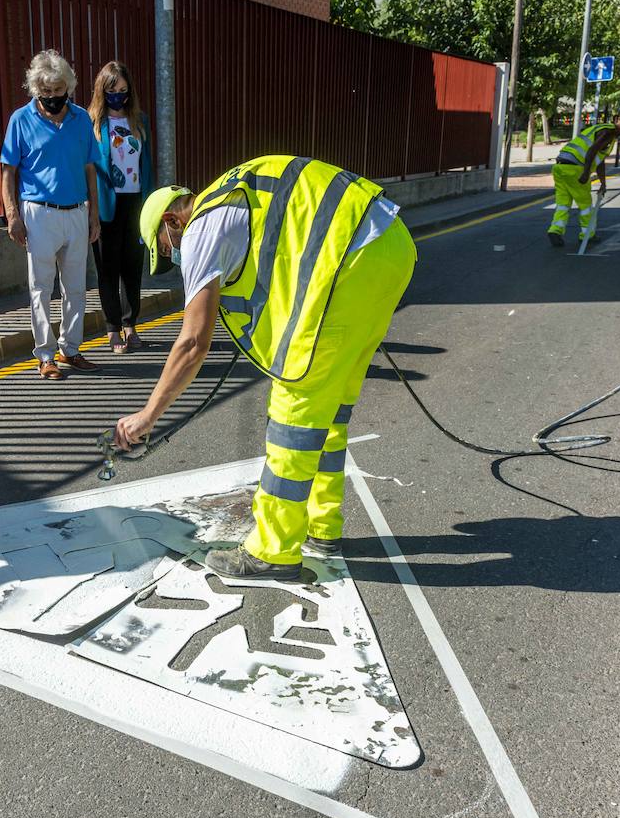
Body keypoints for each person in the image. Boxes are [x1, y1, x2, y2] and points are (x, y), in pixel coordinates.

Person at [116, 157, 415, 580]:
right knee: (327, 409)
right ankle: (322, 525)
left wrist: (148, 416)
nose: (176, 258)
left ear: (172, 221)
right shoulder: (233, 197)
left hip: (350, 259)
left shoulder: (200, 228)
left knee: (294, 408)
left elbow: (192, 343)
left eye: (167, 250)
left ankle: (273, 551)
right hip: (389, 245)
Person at [0, 50, 101, 380]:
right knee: (40, 287)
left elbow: (90, 168)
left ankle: (70, 349)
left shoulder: (81, 119)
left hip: (76, 211)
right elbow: (8, 172)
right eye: (47, 93)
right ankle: (45, 356)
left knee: (76, 287)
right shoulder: (20, 120)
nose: (54, 98)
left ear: (68, 87)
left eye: (60, 91)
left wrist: (94, 214)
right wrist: (12, 215)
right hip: (39, 212)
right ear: (36, 89)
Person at [88, 61, 153, 354]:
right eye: (113, 90)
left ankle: (131, 326)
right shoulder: (93, 123)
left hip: (135, 203)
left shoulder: (139, 121)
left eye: (124, 90)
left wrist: (151, 204)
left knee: (132, 268)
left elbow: (147, 165)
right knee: (107, 269)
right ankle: (113, 329)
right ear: (103, 91)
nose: (119, 96)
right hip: (105, 205)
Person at [547, 113, 620, 247]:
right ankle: (587, 235)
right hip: (576, 169)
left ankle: (555, 230)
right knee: (585, 205)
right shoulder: (609, 132)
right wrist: (585, 173)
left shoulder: (600, 128)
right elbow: (592, 151)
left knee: (563, 203)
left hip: (560, 167)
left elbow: (599, 161)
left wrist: (603, 182)